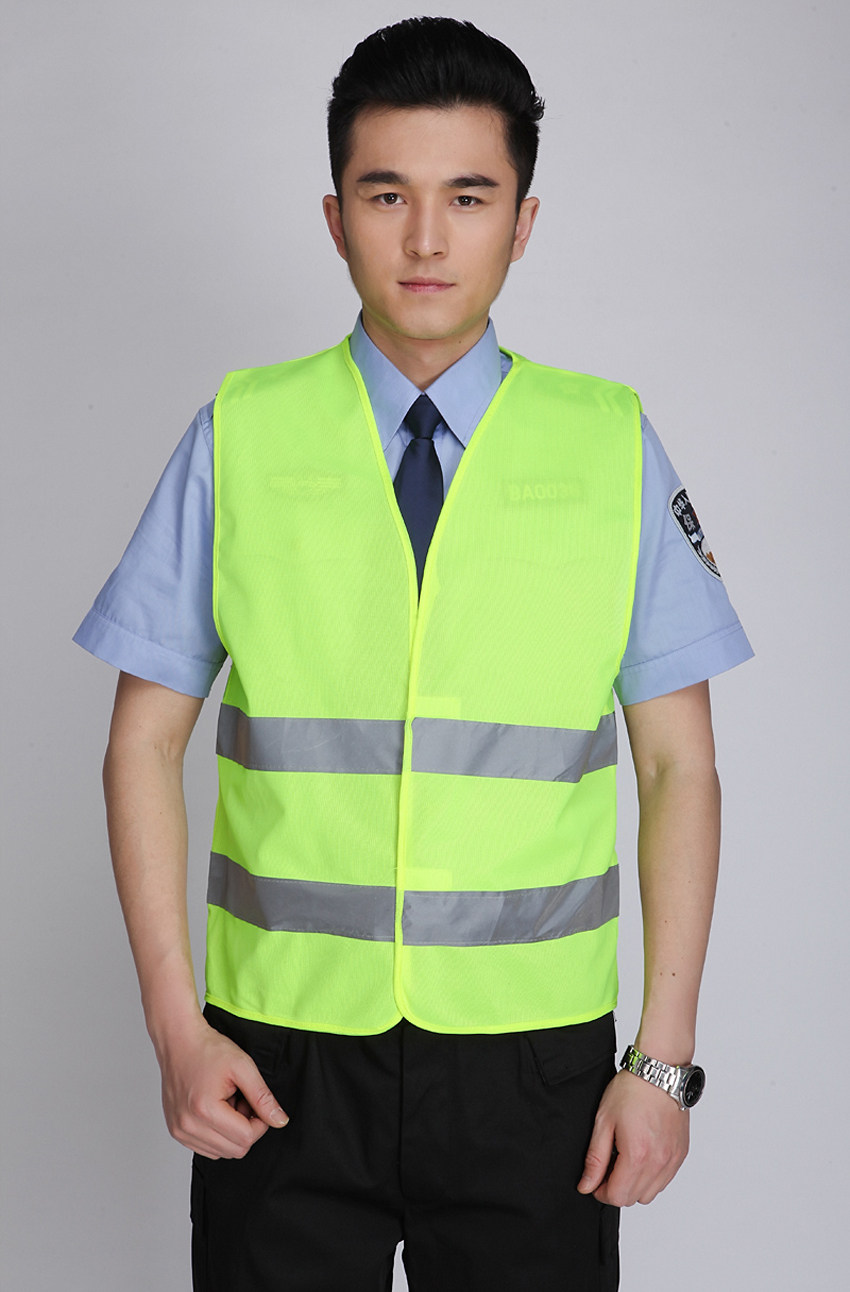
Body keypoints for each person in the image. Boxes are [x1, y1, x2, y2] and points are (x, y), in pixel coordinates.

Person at [75, 16, 753, 1291]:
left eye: (468, 197)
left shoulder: (608, 442)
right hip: (277, 1052)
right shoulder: (240, 434)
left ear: (523, 222)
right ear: (336, 218)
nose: (428, 239)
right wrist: (175, 1025)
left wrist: (660, 1061)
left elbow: (680, 769)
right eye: (388, 196)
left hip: (534, 1063)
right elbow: (140, 745)